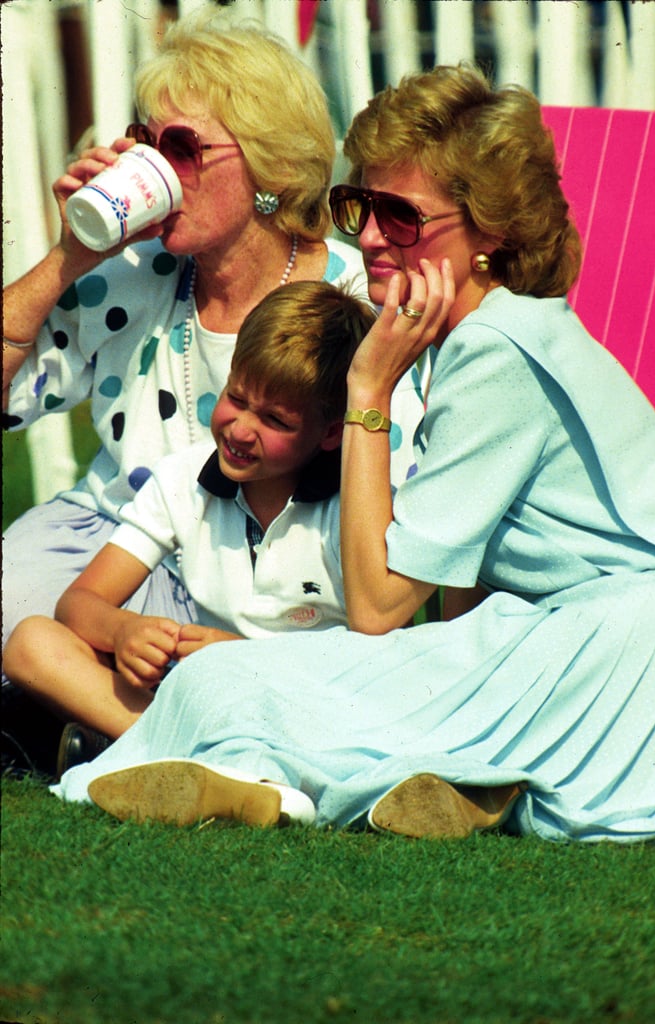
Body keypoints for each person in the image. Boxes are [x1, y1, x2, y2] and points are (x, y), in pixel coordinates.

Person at [52, 64, 655, 843]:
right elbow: (460, 588)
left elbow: (381, 609)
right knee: (267, 678)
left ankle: (273, 768)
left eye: (400, 215)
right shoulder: (491, 334)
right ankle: (314, 779)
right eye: (360, 207)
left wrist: (368, 391)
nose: (371, 237)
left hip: (629, 644)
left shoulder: (494, 350)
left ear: (489, 233)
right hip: (576, 632)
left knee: (250, 679)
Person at [1, 10, 425, 770]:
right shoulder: (133, 275)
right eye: (145, 140)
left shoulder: (351, 299)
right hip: (117, 538)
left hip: (273, 570)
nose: (159, 168)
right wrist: (71, 253)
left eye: (183, 148)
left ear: (265, 165)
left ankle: (93, 728)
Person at [4, 280, 376, 750]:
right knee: (31, 642)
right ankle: (199, 757)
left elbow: (373, 657)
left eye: (275, 420)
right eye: (237, 398)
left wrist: (248, 660)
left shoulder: (354, 509)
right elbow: (79, 602)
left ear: (329, 434)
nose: (241, 429)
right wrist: (123, 632)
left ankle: (165, 753)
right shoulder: (183, 479)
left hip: (302, 703)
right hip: (195, 696)